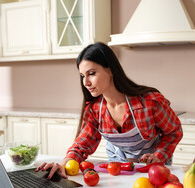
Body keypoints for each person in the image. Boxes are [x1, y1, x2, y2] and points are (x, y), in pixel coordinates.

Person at [36, 42, 183, 179]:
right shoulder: (94, 109)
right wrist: (63, 164)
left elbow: (173, 132)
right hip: (117, 165)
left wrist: (159, 156)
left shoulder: (149, 103)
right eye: (82, 76)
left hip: (153, 166)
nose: (86, 83)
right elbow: (82, 145)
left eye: (91, 73)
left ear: (111, 70)